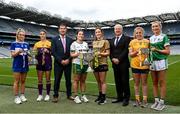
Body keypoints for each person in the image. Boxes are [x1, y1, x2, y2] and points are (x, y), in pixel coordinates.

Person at [150, 21, 170, 111]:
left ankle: (162, 102)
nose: (154, 28)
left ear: (160, 27)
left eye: (156, 26)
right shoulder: (150, 38)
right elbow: (149, 51)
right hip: (152, 62)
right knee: (154, 82)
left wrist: (157, 50)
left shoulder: (164, 36)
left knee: (161, 82)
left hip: (161, 61)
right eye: (153, 26)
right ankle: (156, 101)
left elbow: (168, 52)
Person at [51, 23, 74, 103]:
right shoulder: (54, 39)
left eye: (64, 28)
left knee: (68, 80)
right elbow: (53, 52)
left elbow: (72, 52)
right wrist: (61, 60)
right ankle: (55, 96)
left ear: (66, 29)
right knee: (57, 80)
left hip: (68, 63)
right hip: (58, 63)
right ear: (59, 29)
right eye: (61, 28)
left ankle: (69, 95)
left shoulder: (70, 40)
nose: (62, 30)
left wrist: (68, 59)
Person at [109, 24, 130, 106]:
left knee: (125, 81)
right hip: (115, 64)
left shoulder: (127, 38)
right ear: (114, 30)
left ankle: (126, 98)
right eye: (116, 29)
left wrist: (119, 59)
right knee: (117, 81)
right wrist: (112, 59)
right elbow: (110, 52)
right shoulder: (112, 39)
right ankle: (119, 97)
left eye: (119, 29)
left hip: (123, 63)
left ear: (122, 30)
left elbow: (126, 50)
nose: (117, 30)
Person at [129, 27, 149, 107]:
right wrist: (137, 51)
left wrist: (143, 51)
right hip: (135, 65)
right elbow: (131, 54)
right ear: (135, 34)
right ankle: (137, 100)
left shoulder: (147, 41)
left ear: (142, 33)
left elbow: (149, 53)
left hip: (144, 65)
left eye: (140, 32)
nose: (138, 34)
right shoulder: (132, 42)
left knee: (144, 83)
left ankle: (145, 100)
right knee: (136, 83)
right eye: (137, 33)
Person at [10, 28, 30, 104]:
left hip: (25, 65)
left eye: (23, 35)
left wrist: (31, 58)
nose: (22, 36)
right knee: (16, 81)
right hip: (17, 65)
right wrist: (18, 52)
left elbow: (28, 55)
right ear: (17, 35)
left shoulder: (27, 44)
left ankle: (22, 95)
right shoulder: (13, 44)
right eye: (20, 34)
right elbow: (12, 55)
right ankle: (16, 97)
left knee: (23, 81)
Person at [70, 30, 89, 104]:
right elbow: (71, 55)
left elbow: (87, 54)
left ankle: (83, 95)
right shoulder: (73, 44)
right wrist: (78, 54)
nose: (81, 35)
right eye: (79, 34)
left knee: (83, 80)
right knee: (76, 80)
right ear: (77, 35)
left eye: (82, 34)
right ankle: (76, 96)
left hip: (85, 64)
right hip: (77, 63)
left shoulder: (86, 44)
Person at [92, 27, 110, 105]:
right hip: (95, 63)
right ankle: (100, 96)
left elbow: (108, 53)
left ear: (101, 33)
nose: (98, 33)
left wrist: (100, 54)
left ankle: (103, 97)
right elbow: (93, 53)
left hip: (103, 63)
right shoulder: (94, 42)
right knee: (98, 81)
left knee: (102, 81)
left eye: (99, 32)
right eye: (96, 32)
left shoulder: (106, 41)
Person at [33, 29, 52, 102]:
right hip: (39, 63)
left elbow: (53, 53)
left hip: (48, 63)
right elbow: (34, 54)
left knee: (48, 80)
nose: (42, 35)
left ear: (45, 35)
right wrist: (37, 52)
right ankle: (40, 95)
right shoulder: (37, 44)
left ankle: (47, 94)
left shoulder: (49, 43)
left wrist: (48, 51)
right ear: (39, 35)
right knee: (40, 80)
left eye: (43, 34)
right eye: (41, 34)